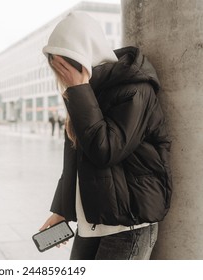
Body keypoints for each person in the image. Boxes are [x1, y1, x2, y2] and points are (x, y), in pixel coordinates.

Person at [39, 12, 172, 260]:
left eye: (64, 66)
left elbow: (106, 150)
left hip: (127, 225)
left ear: (82, 59)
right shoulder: (85, 92)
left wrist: (79, 90)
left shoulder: (135, 89)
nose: (61, 75)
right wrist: (61, 210)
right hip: (92, 220)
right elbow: (75, 160)